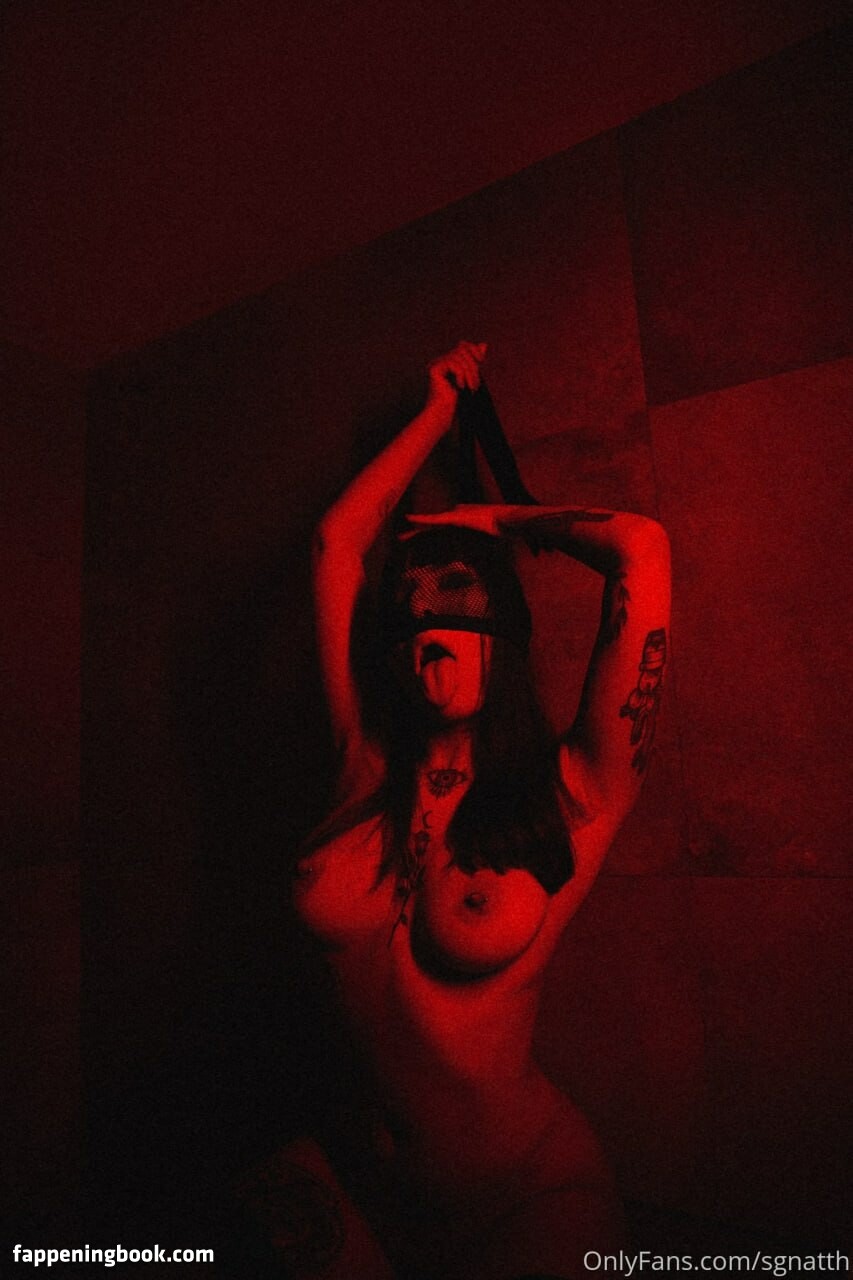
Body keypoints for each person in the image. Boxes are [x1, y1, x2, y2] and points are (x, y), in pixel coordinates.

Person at [249, 342, 671, 1279]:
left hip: (520, 1195)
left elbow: (639, 547)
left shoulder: (575, 789)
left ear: (502, 636)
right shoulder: (363, 767)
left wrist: (492, 517)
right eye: (409, 615)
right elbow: (336, 547)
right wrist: (436, 411)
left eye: (457, 603)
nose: (427, 636)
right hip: (355, 1171)